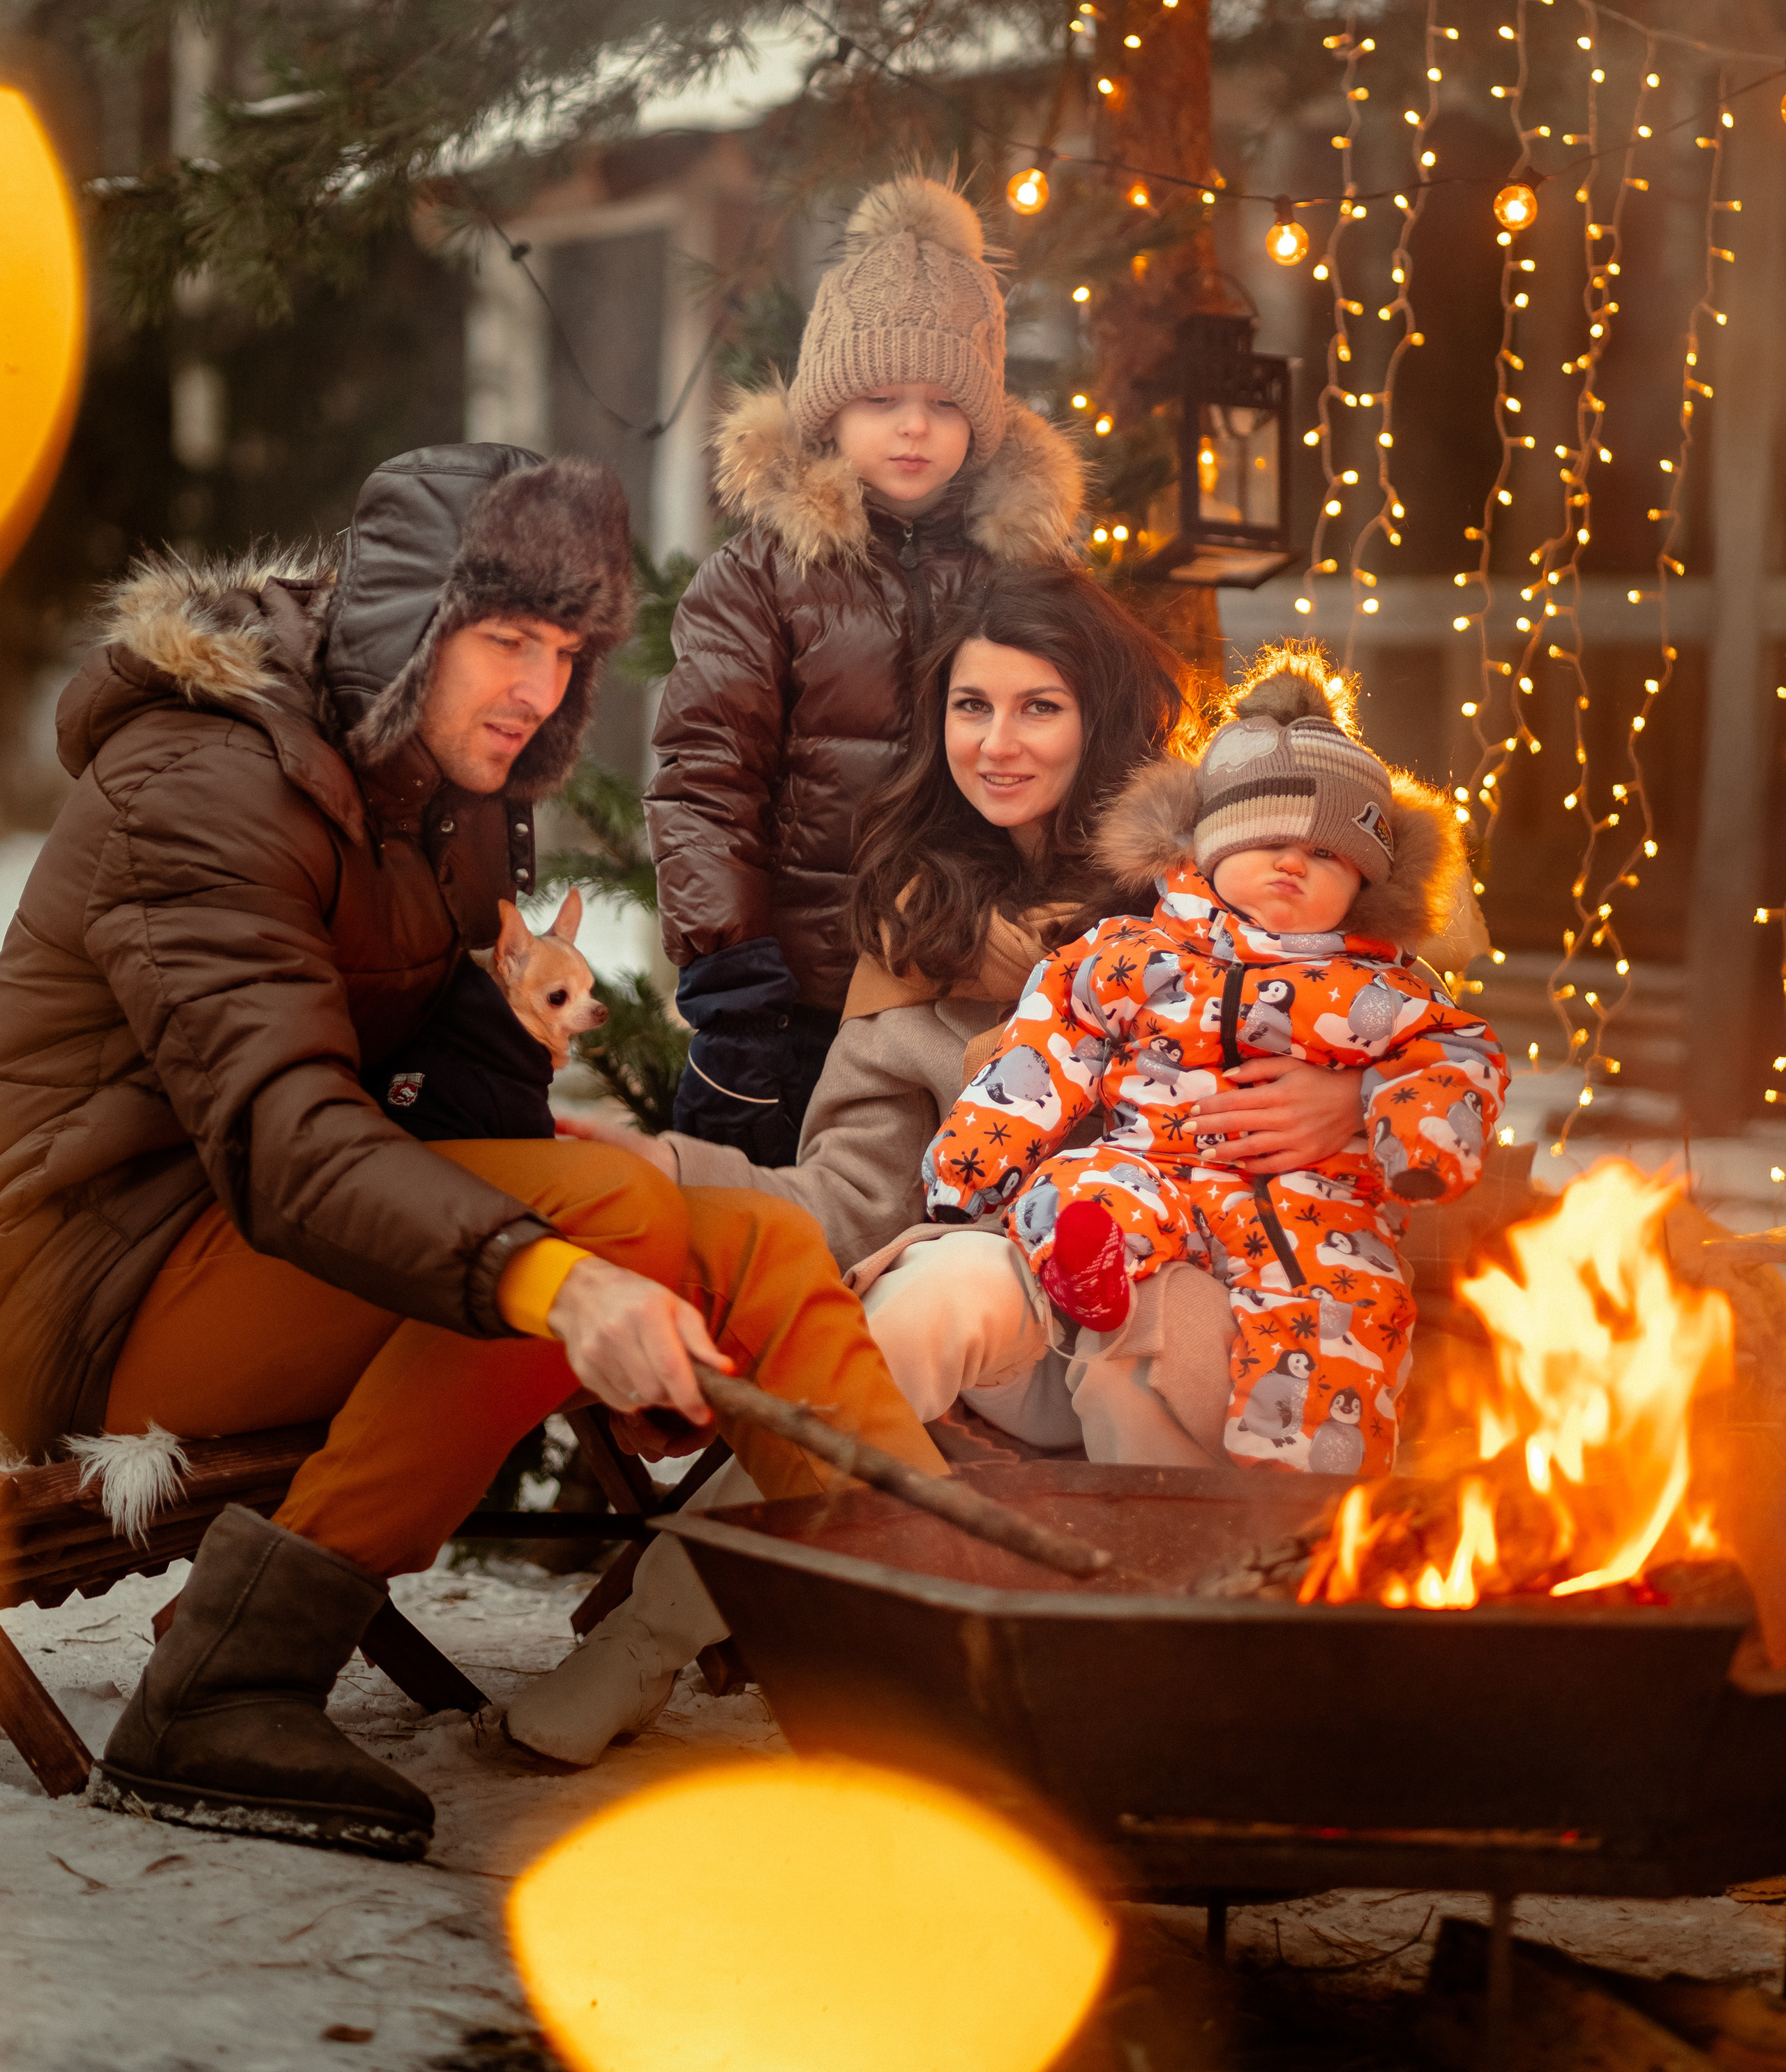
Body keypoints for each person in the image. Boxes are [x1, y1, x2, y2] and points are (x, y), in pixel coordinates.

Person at [0, 442, 944, 1861]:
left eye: (565, 649)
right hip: (94, 1282)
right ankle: (224, 1685)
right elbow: (287, 1140)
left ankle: (941, 1665)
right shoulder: (199, 779)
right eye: (504, 639)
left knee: (740, 1235)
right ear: (402, 629)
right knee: (590, 1237)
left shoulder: (445, 785)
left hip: (280, 1241)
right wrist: (565, 1290)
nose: (538, 689)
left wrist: (650, 1269)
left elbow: (446, 1100)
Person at [510, 576, 1369, 1766]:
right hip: (1023, 1300)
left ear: (1102, 721)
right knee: (916, 1301)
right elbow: (853, 1200)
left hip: (1210, 1301)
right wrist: (656, 1168)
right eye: (974, 706)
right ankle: (641, 1649)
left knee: (1141, 1345)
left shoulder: (1219, 885)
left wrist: (1354, 1097)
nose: (998, 742)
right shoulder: (915, 925)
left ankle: (1162, 1701)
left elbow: (1398, 1009)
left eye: (1039, 708)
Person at [924, 661, 1510, 1480]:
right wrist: (970, 1166)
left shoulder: (1385, 987)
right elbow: (1046, 1050)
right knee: (1087, 1192)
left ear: (1365, 882)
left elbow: (1452, 1059)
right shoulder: (1133, 953)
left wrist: (1404, 1131)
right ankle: (1089, 1272)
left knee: (1339, 1319)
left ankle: (1297, 1511)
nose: (1292, 866)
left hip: (1314, 1204)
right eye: (1267, 842)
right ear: (1207, 848)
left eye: (1326, 856)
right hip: (1154, 1162)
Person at [644, 170, 1083, 1164]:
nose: (914, 426)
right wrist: (734, 990)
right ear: (828, 414)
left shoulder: (1029, 577)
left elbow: (1090, 764)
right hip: (796, 993)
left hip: (973, 987)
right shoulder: (762, 575)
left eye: (941, 400)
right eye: (881, 398)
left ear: (983, 418)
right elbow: (706, 779)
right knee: (769, 1238)